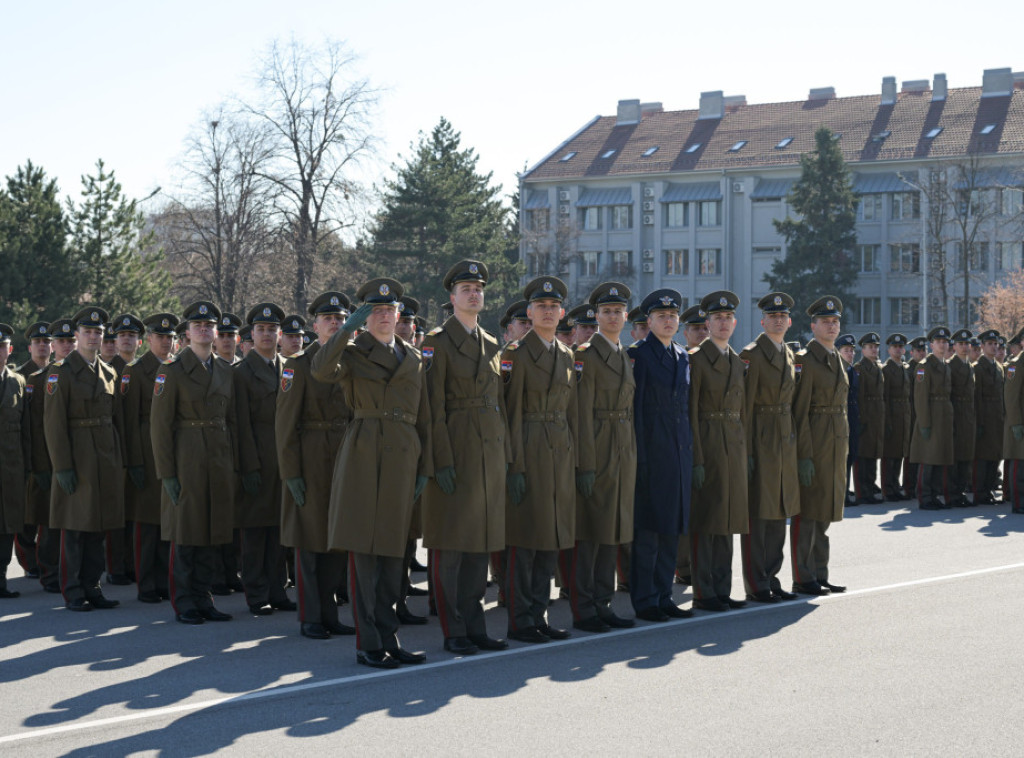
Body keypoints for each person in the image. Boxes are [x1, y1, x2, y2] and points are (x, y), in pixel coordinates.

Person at [310, 277, 432, 668]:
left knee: (394, 556)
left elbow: (424, 417)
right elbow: (320, 370)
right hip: (364, 450)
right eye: (375, 311)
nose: (384, 317)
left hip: (402, 455)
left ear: (399, 315)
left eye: (389, 311)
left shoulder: (412, 357)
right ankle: (369, 643)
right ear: (366, 318)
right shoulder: (352, 350)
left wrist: (424, 467)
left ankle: (389, 636)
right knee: (366, 555)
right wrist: (345, 329)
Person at [420, 260, 511, 654]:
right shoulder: (435, 342)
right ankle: (453, 629)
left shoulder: (492, 344)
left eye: (478, 288)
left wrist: (505, 457)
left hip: (487, 456)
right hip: (455, 452)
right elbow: (431, 408)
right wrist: (440, 461)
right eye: (466, 289)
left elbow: (498, 405)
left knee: (479, 545)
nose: (474, 294)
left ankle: (475, 625)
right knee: (452, 548)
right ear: (452, 298)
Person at [150, 301, 238, 624]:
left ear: (215, 333)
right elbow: (159, 427)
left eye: (209, 324)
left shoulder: (226, 370)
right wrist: (167, 473)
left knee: (211, 533)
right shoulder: (170, 371)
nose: (204, 329)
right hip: (186, 458)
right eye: (197, 324)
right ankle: (184, 600)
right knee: (186, 535)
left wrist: (236, 465)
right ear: (186, 333)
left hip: (217, 457)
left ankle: (204, 597)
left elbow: (233, 421)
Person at [276, 291, 357, 640]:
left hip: (343, 453)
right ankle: (311, 617)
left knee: (336, 541)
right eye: (329, 319)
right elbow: (285, 425)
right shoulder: (297, 364)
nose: (335, 324)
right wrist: (291, 473)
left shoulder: (351, 360)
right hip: (310, 458)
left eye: (340, 319)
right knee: (309, 544)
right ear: (315, 325)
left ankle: (330, 613)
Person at [501, 276, 578, 642]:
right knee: (526, 540)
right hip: (529, 449)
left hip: (559, 453)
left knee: (550, 539)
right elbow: (511, 412)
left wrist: (575, 463)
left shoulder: (566, 354)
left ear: (562, 313)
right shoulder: (515, 354)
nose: (548, 312)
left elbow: (571, 413)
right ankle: (520, 619)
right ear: (529, 313)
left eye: (554, 307)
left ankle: (539, 613)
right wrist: (514, 465)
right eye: (541, 307)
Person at [44, 307, 125, 611]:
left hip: (104, 456)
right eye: (87, 332)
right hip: (77, 456)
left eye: (98, 332)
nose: (93, 337)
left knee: (99, 526)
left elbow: (114, 420)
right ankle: (73, 589)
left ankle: (93, 585)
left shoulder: (109, 371)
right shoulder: (60, 372)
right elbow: (53, 425)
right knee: (75, 528)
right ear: (76, 336)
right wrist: (62, 466)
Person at [568, 281, 636, 632]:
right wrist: (585, 464)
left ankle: (603, 601)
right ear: (596, 316)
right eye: (606, 311)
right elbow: (580, 414)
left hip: (622, 447)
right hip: (598, 446)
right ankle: (585, 607)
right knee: (592, 531)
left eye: (618, 311)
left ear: (625, 316)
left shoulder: (622, 353)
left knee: (613, 530)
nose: (612, 316)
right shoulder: (585, 354)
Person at [628, 288, 692, 621]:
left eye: (672, 316)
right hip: (652, 455)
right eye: (661, 316)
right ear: (648, 321)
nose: (668, 321)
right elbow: (636, 411)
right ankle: (645, 599)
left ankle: (664, 594)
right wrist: (640, 459)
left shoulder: (683, 356)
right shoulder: (638, 355)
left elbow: (685, 410)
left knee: (671, 531)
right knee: (648, 533)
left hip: (679, 454)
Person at [689, 291, 747, 612]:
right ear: (707, 323)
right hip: (709, 444)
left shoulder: (737, 362)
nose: (723, 323)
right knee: (707, 520)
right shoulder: (696, 359)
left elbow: (743, 413)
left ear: (734, 323)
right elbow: (692, 411)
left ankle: (723, 588)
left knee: (729, 520)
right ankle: (705, 590)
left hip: (733, 446)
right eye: (717, 319)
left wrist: (746, 454)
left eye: (728, 318)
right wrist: (696, 458)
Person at [234, 303, 294, 616]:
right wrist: (248, 466)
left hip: (283, 459)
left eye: (272, 330)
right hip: (258, 458)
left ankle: (278, 589)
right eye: (262, 330)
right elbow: (240, 424)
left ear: (280, 334)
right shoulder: (242, 372)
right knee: (256, 532)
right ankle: (257, 593)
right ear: (252, 335)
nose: (268, 335)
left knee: (279, 531)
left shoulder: (288, 366)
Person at [739, 292, 800, 604]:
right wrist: (747, 451)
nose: (778, 320)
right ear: (762, 321)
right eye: (772, 316)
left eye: (783, 316)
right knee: (759, 515)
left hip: (784, 437)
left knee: (780, 511)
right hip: (761, 437)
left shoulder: (789, 353)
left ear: (789, 322)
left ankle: (773, 576)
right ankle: (756, 581)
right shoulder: (751, 354)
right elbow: (745, 407)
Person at [791, 296, 848, 596]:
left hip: (836, 441)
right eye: (825, 321)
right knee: (809, 513)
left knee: (824, 513)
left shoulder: (836, 357)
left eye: (835, 321)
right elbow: (800, 411)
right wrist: (804, 455)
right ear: (813, 326)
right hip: (815, 442)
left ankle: (820, 572)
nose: (831, 326)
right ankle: (803, 576)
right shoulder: (805, 359)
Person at [121, 313, 178, 603]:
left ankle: (165, 582)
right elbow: (129, 422)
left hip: (168, 450)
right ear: (150, 339)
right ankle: (146, 585)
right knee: (146, 525)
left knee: (167, 522)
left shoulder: (175, 367)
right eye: (161, 337)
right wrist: (134, 461)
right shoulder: (134, 370)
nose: (166, 342)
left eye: (170, 337)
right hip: (145, 450)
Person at [107, 314, 144, 586]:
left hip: (141, 446)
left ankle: (133, 563)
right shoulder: (109, 369)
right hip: (117, 448)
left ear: (139, 341)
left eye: (131, 336)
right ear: (116, 341)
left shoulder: (143, 368)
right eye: (122, 336)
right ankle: (116, 567)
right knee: (117, 514)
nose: (127, 340)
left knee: (136, 512)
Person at [14, 321, 51, 579]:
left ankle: (45, 559)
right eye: (37, 342)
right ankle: (28, 562)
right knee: (28, 515)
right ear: (29, 347)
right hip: (29, 451)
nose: (42, 346)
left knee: (47, 512)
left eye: (46, 342)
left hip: (52, 450)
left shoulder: (58, 372)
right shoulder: (22, 375)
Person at [0, 323, 30, 598]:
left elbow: (27, 430)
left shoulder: (18, 382)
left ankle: (1, 581)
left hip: (10, 467)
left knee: (8, 526)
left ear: (9, 350)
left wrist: (29, 467)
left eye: (2, 346)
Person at [910, 327, 955, 510]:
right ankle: (924, 496)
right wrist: (924, 423)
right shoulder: (924, 366)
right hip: (931, 415)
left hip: (944, 413)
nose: (943, 345)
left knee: (940, 457)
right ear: (931, 345)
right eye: (939, 342)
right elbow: (920, 398)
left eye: (945, 342)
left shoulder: (945, 365)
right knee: (928, 458)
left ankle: (934, 495)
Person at [854, 332, 885, 505]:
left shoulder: (877, 367)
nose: (874, 350)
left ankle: (870, 488)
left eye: (876, 347)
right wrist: (862, 420)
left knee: (873, 455)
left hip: (876, 416)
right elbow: (860, 396)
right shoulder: (860, 368)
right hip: (866, 417)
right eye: (870, 347)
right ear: (863, 349)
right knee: (863, 457)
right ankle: (862, 492)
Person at [974, 330, 1005, 505]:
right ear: (983, 346)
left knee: (995, 456)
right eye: (990, 344)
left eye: (996, 344)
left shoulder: (999, 367)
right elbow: (977, 396)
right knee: (983, 458)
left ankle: (989, 490)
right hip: (985, 415)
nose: (994, 347)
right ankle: (980, 492)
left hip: (997, 416)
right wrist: (979, 421)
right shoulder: (977, 368)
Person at [948, 329, 977, 507]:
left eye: (967, 344)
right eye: (961, 344)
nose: (965, 347)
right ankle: (953, 494)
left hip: (968, 413)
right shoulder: (950, 366)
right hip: (956, 412)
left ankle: (961, 491)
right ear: (955, 346)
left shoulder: (970, 366)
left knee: (966, 455)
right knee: (956, 457)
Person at [881, 334, 912, 501]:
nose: (898, 350)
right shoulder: (886, 369)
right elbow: (884, 397)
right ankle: (888, 488)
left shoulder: (904, 368)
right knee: (890, 455)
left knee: (899, 453)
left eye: (901, 347)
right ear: (889, 349)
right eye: (895, 347)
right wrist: (887, 421)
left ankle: (896, 485)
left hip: (904, 413)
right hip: (892, 412)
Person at [903, 336, 928, 498]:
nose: (921, 353)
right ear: (911, 352)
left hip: (922, 413)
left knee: (922, 450)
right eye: (918, 351)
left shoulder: (926, 367)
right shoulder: (908, 369)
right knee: (910, 453)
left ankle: (919, 483)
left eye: (923, 350)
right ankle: (909, 486)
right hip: (911, 413)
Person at [836, 334, 859, 508]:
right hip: (840, 418)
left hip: (852, 417)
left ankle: (845, 492)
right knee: (841, 458)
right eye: (846, 351)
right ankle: (840, 495)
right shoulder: (837, 370)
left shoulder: (852, 370)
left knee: (850, 456)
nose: (850, 354)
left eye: (852, 351)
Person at [1003, 341, 1024, 512]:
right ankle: (1018, 502)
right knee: (1019, 461)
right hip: (1021, 420)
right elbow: (1011, 397)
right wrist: (1016, 423)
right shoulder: (1016, 364)